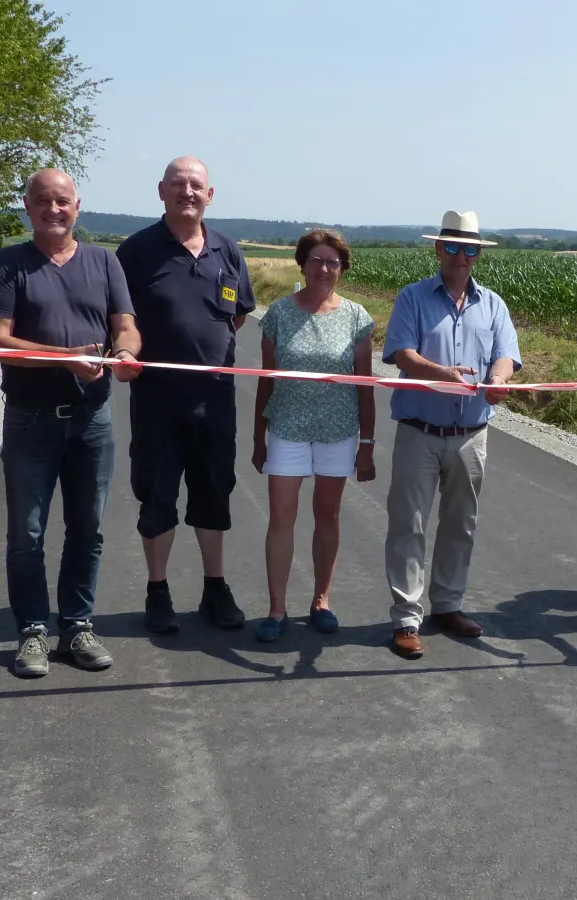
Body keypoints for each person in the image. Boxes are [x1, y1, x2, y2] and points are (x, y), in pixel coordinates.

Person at [0, 168, 139, 678]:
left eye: (62, 201)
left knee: (88, 528)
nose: (54, 209)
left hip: (92, 420)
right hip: (30, 422)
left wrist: (128, 353)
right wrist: (63, 358)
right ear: (27, 207)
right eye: (43, 201)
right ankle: (31, 632)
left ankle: (77, 626)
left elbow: (125, 325)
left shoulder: (104, 261)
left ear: (77, 206)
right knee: (27, 533)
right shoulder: (9, 264)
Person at [116, 156, 256, 634]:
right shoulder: (135, 252)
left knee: (215, 492)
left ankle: (215, 588)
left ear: (210, 195)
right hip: (157, 400)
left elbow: (236, 317)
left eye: (196, 185)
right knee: (157, 495)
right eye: (178, 184)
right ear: (161, 191)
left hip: (215, 398)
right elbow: (119, 319)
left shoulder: (227, 250)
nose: (187, 192)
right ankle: (158, 592)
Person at [381, 211, 520, 660]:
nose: (461, 257)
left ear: (479, 254)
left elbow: (506, 356)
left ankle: (448, 605)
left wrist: (499, 381)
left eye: (470, 249)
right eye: (453, 248)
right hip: (420, 429)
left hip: (471, 434)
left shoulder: (494, 304)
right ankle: (406, 617)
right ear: (438, 249)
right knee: (409, 523)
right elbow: (401, 353)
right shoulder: (412, 298)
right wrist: (441, 374)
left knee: (461, 524)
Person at [250, 230, 376, 642]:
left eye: (333, 262)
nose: (324, 269)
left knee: (328, 515)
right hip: (287, 427)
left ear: (342, 269)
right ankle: (276, 609)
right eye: (317, 261)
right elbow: (265, 381)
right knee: (282, 518)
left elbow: (364, 385)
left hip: (338, 431)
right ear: (302, 265)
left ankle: (322, 599)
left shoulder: (357, 318)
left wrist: (367, 444)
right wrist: (258, 436)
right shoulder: (280, 315)